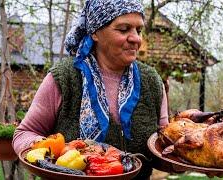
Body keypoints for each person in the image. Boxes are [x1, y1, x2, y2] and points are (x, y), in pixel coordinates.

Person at [12, 0, 169, 179]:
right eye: (124, 29)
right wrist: (54, 151)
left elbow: (162, 148)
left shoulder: (152, 82)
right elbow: (24, 133)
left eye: (138, 30)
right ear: (95, 32)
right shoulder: (65, 78)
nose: (136, 38)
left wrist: (184, 159)